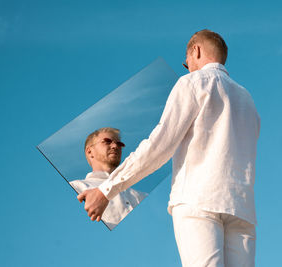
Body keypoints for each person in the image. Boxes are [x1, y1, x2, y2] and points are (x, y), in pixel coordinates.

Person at [78, 29, 260, 266]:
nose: (188, 68)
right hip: (241, 208)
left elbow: (159, 147)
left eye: (187, 63)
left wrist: (106, 190)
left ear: (196, 51)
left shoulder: (193, 83)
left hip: (198, 200)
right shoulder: (247, 100)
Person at [71, 127, 147, 230]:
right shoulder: (76, 187)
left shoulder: (141, 196)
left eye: (119, 144)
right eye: (107, 141)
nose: (115, 146)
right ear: (89, 152)